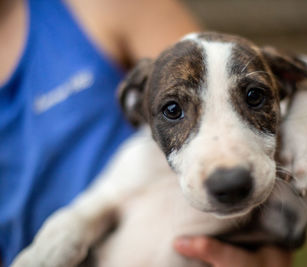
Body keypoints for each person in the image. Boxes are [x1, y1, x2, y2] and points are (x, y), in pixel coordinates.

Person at [0, 0, 292, 266]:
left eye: (253, 96)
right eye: (174, 111)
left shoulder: (102, 9)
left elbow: (212, 74)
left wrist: (277, 249)